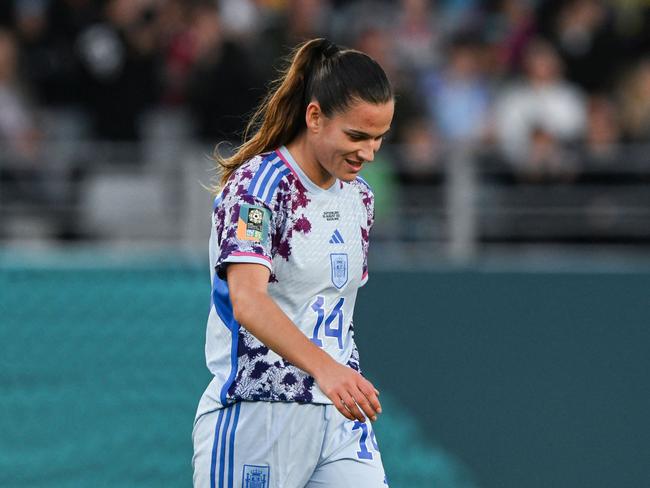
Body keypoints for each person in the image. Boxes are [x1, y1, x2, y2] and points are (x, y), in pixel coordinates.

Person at [192, 38, 394, 487]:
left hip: (340, 418)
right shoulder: (258, 187)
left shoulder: (360, 197)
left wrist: (339, 376)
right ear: (315, 116)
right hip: (258, 412)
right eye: (356, 136)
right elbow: (247, 301)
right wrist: (326, 367)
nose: (369, 153)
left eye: (379, 138)